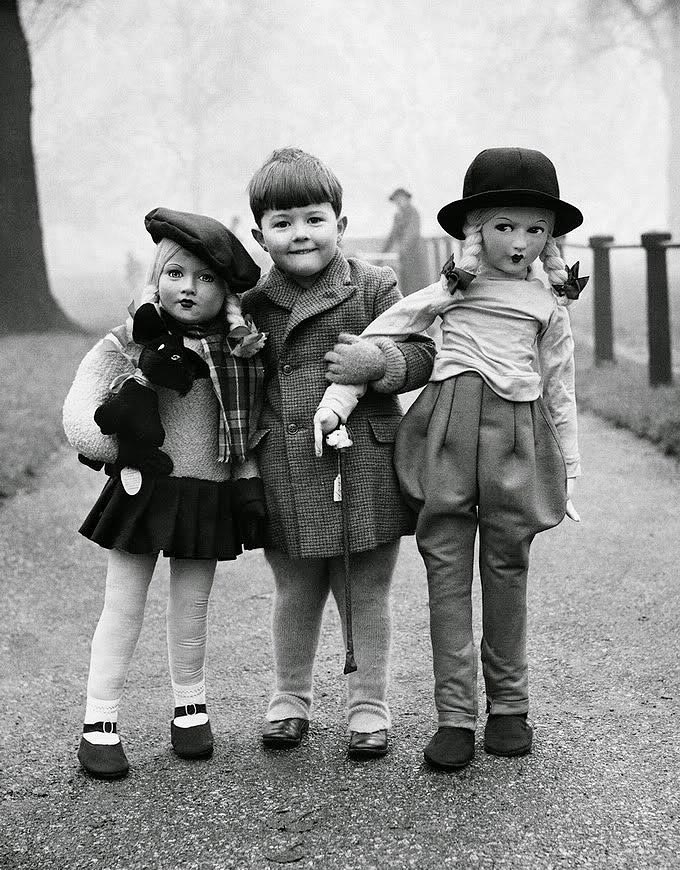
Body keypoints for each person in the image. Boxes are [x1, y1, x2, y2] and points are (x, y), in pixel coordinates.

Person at [315, 148, 586, 770]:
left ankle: (510, 706)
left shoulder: (549, 305)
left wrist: (568, 468)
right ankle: (455, 715)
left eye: (535, 229)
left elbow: (561, 385)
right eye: (504, 226)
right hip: (445, 440)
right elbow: (381, 335)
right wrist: (339, 398)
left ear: (551, 237)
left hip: (517, 445)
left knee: (507, 567)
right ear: (474, 232)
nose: (519, 242)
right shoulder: (447, 294)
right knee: (445, 572)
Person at [242, 147, 436, 759]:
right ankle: (289, 698)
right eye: (283, 222)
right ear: (261, 235)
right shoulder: (251, 302)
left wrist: (378, 363)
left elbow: (423, 355)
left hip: (365, 464)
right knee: (295, 590)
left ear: (341, 225)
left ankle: (368, 707)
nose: (300, 233)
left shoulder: (374, 286)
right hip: (288, 464)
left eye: (313, 218)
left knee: (365, 592)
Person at [63, 208, 267, 779]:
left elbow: (248, 427)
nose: (189, 288)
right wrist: (115, 449)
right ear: (158, 277)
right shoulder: (129, 341)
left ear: (225, 291)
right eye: (177, 274)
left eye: (206, 279)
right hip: (142, 489)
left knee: (192, 606)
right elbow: (79, 407)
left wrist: (244, 481)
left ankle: (190, 708)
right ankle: (99, 721)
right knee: (123, 605)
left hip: (205, 492)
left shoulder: (239, 353)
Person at [382, 188, 430, 295]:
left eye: (400, 199)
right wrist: (383, 253)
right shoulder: (397, 216)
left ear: (407, 199)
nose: (398, 202)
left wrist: (401, 250)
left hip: (416, 253)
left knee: (418, 283)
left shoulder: (413, 212)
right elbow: (392, 236)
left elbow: (412, 234)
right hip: (405, 256)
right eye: (396, 200)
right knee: (406, 283)